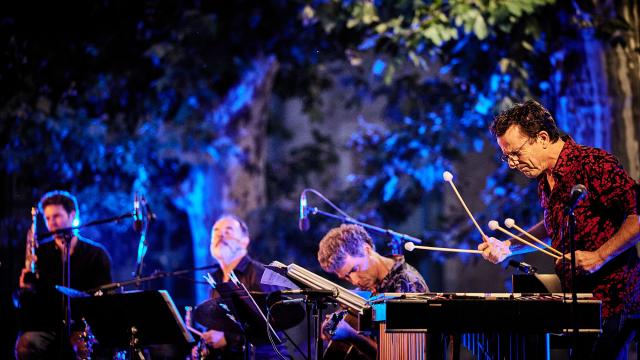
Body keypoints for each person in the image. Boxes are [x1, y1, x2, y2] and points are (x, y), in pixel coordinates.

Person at [478, 100, 639, 359]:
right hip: (579, 302)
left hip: (613, 299)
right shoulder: (545, 178)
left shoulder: (594, 164)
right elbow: (554, 224)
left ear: (542, 138)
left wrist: (600, 256)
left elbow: (637, 215)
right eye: (507, 157)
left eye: (516, 153)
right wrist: (508, 247)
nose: (513, 163)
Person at [15, 190, 112, 360]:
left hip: (84, 326)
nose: (52, 223)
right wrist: (25, 289)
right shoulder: (39, 253)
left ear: (72, 215)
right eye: (48, 218)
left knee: (85, 349)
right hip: (49, 327)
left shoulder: (96, 254)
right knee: (26, 343)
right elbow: (29, 306)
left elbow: (105, 300)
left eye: (57, 216)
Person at [317, 224, 429, 359]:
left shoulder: (407, 285)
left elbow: (404, 356)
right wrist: (335, 323)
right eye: (346, 276)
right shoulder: (370, 286)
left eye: (354, 269)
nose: (354, 281)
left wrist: (351, 335)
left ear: (367, 250)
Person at [195, 214, 291, 359]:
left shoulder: (262, 275)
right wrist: (207, 344)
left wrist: (227, 338)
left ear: (244, 242)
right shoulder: (215, 279)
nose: (221, 235)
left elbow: (271, 326)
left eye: (228, 231)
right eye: (216, 231)